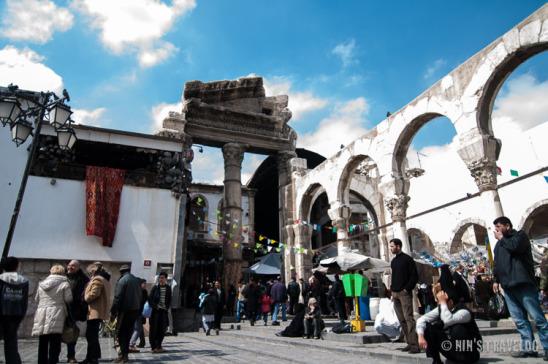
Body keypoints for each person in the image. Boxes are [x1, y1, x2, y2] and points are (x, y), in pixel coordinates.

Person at [492, 216, 548, 359]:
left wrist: (502, 239)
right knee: (519, 320)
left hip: (523, 284)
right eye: (495, 228)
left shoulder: (520, 236)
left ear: (507, 226)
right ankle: (529, 348)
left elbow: (515, 247)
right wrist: (496, 280)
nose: (496, 230)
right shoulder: (498, 245)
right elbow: (497, 264)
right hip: (508, 287)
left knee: (538, 318)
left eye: (499, 226)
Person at [417, 272, 482, 364]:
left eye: (442, 301)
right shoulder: (442, 308)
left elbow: (448, 320)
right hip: (451, 350)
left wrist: (443, 303)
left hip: (469, 353)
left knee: (458, 328)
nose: (440, 304)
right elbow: (421, 319)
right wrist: (420, 335)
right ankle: (435, 362)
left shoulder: (464, 312)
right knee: (429, 328)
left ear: (451, 302)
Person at [32, 264, 73, 364]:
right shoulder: (64, 283)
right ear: (63, 272)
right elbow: (68, 299)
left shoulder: (42, 283)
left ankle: (41, 361)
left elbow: (36, 299)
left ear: (51, 271)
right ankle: (53, 361)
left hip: (42, 312)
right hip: (57, 312)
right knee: (55, 340)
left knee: (43, 340)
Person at [389, 238, 420, 354]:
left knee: (409, 318)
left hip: (404, 293)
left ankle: (415, 345)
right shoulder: (393, 261)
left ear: (398, 246)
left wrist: (407, 289)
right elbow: (394, 276)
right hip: (395, 293)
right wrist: (392, 290)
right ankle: (408, 342)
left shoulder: (408, 259)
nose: (391, 248)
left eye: (392, 246)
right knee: (401, 320)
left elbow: (414, 276)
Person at [110, 264, 142, 363]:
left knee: (121, 334)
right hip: (134, 311)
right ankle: (124, 356)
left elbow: (117, 298)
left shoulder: (123, 280)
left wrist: (113, 312)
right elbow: (140, 296)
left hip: (125, 311)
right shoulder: (136, 280)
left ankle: (123, 356)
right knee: (128, 334)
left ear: (121, 272)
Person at [0, 256, 29, 364]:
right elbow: (24, 300)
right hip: (16, 313)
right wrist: (21, 314)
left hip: (2, 312)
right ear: (16, 266)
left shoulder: (1, 278)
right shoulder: (23, 280)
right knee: (11, 341)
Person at [82, 262, 111, 364]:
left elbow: (94, 294)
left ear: (94, 271)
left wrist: (85, 297)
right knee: (92, 335)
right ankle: (91, 357)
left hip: (95, 311)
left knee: (91, 336)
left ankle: (93, 358)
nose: (90, 274)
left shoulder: (98, 279)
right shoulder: (105, 279)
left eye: (91, 272)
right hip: (97, 311)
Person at [65, 260, 90, 364]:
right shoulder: (63, 277)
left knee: (72, 334)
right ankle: (54, 355)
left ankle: (71, 356)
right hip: (63, 309)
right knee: (57, 334)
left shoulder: (84, 279)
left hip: (74, 311)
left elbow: (85, 295)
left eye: (73, 266)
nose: (70, 267)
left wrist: (82, 309)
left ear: (78, 267)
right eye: (69, 265)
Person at [149, 272, 172, 353]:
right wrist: (155, 306)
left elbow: (169, 299)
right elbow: (150, 300)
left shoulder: (168, 288)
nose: (161, 279)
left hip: (163, 312)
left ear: (166, 279)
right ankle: (153, 347)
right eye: (160, 277)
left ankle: (159, 346)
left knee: (162, 329)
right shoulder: (155, 288)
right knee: (154, 329)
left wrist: (166, 307)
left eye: (162, 278)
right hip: (155, 312)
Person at [129, 279, 148, 352]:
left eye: (145, 283)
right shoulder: (139, 291)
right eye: (144, 283)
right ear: (140, 284)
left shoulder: (143, 291)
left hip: (139, 313)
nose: (145, 285)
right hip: (137, 313)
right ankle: (131, 344)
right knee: (137, 329)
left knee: (138, 328)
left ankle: (141, 342)